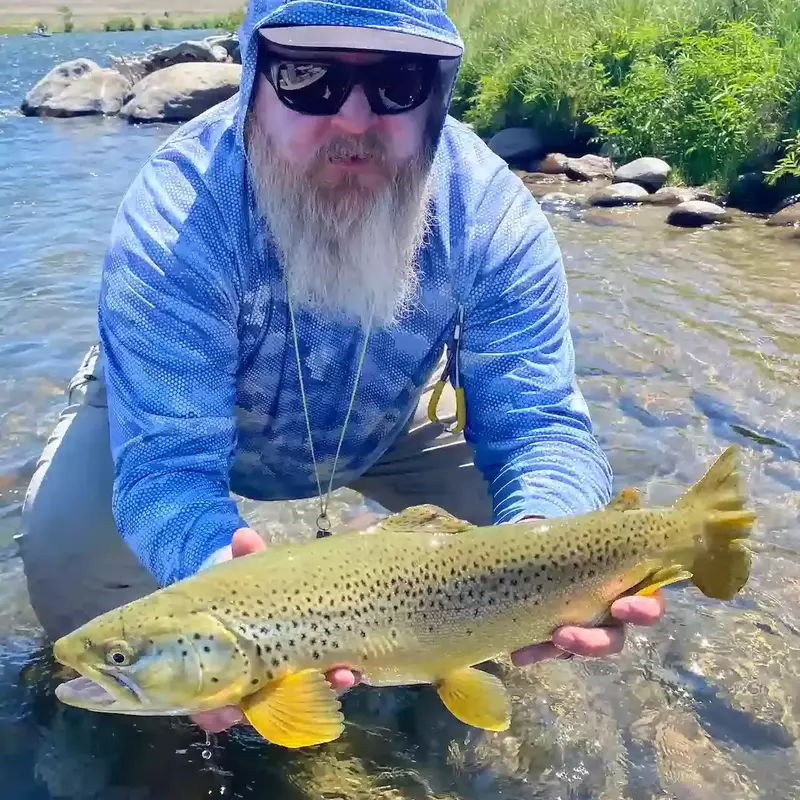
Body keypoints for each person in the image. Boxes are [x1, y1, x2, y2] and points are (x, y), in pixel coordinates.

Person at [18, 0, 665, 735]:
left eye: (399, 82)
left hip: (388, 417)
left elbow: (537, 423)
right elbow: (167, 465)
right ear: (255, 79)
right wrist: (219, 583)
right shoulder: (175, 218)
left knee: (562, 558)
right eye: (308, 77)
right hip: (169, 413)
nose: (355, 120)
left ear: (439, 92)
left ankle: (450, 667)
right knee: (72, 569)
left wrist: (553, 557)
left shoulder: (490, 213)